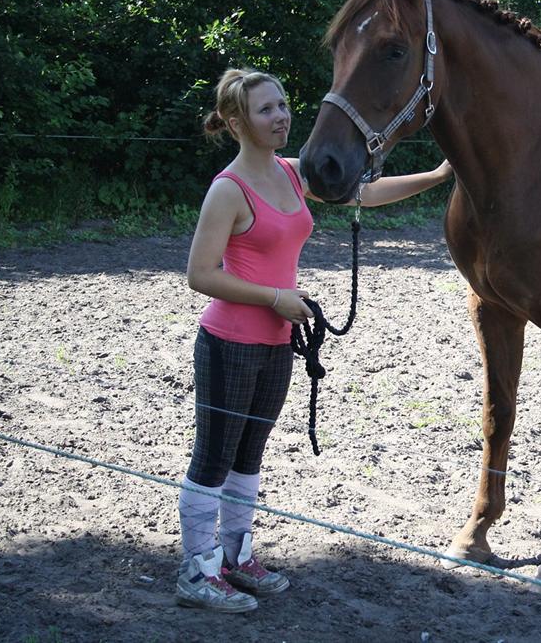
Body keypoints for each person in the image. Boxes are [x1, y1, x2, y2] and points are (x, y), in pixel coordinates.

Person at [177, 68, 451, 612]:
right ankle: (196, 569)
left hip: (278, 342)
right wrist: (274, 298)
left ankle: (236, 555)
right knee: (213, 457)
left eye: (282, 105)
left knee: (249, 456)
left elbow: (365, 192)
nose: (280, 117)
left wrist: (438, 174)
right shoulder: (228, 190)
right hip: (230, 339)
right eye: (265, 110)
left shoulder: (293, 174)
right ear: (236, 122)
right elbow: (200, 274)